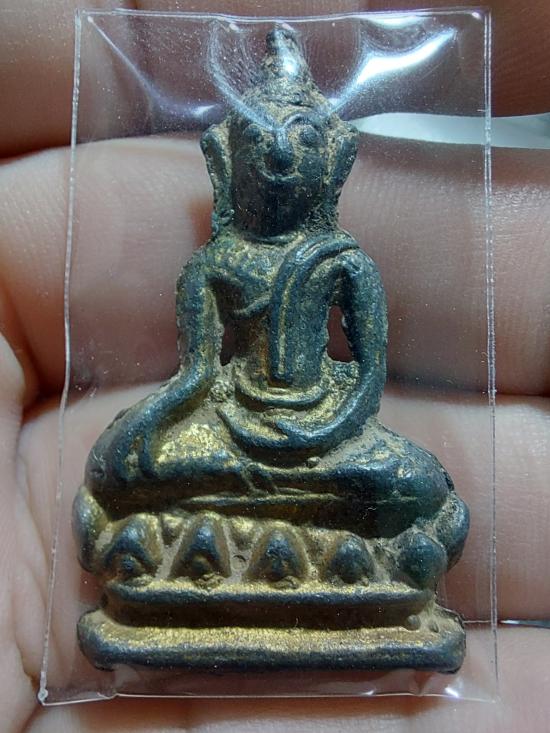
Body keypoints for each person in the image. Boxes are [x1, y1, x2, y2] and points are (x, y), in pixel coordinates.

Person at [0, 1, 548, 730]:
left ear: (335, 159)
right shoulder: (215, 265)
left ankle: (205, 562)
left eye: (302, 139)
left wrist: (325, 430)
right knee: (123, 471)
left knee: (419, 488)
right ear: (226, 159)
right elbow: (196, 377)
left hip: (329, 427)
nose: (282, 157)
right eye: (262, 140)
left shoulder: (342, 261)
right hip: (232, 422)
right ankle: (339, 566)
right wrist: (137, 437)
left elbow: (369, 379)